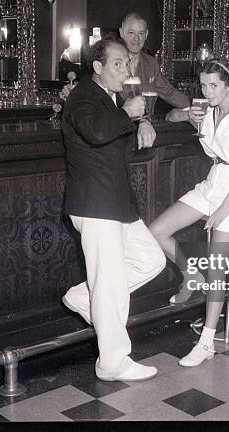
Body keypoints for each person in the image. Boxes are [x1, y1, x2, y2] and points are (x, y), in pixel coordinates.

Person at [61, 37, 166, 381]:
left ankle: (83, 297)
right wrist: (127, 114)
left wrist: (142, 120)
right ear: (98, 67)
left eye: (127, 63)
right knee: (110, 284)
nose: (125, 70)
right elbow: (95, 132)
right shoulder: (81, 97)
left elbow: (117, 129)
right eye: (117, 64)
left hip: (115, 201)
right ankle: (112, 362)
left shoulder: (110, 97)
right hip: (95, 204)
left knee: (151, 259)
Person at [149, 59, 229, 367]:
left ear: (228, 85)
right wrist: (189, 112)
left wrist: (224, 208)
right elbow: (172, 115)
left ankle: (206, 343)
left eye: (214, 85)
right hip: (212, 183)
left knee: (217, 268)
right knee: (157, 230)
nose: (207, 90)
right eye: (202, 85)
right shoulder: (209, 112)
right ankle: (190, 273)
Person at [118, 12, 190, 111]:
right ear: (121, 33)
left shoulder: (151, 63)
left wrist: (195, 106)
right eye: (131, 33)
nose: (136, 38)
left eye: (141, 33)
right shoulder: (112, 61)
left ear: (146, 34)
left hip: (146, 123)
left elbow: (169, 93)